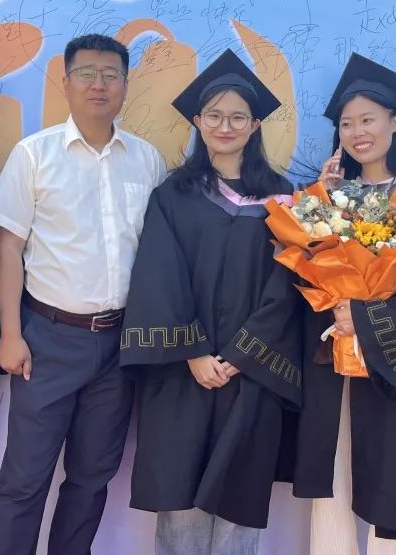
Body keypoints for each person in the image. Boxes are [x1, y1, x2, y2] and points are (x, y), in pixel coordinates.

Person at [0, 33, 166, 555]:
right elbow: (9, 250)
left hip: (119, 344)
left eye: (110, 74)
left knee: (91, 479)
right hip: (48, 339)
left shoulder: (147, 160)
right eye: (86, 73)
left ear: (125, 84)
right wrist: (10, 334)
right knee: (24, 479)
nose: (98, 84)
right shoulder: (34, 155)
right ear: (65, 83)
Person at [120, 49, 302, 555]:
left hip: (251, 372)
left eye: (238, 117)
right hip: (184, 373)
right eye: (215, 115)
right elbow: (160, 276)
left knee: (238, 504)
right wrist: (195, 352)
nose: (226, 126)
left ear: (254, 125)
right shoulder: (172, 194)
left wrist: (242, 355)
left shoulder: (283, 198)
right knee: (180, 506)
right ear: (198, 121)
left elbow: (287, 283)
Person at [292, 54, 396, 555]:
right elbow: (304, 266)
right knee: (335, 464)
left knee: (393, 470)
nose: (357, 132)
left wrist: (367, 318)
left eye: (368, 119)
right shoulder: (326, 198)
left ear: (395, 122)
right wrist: (320, 201)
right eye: (347, 123)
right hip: (336, 355)